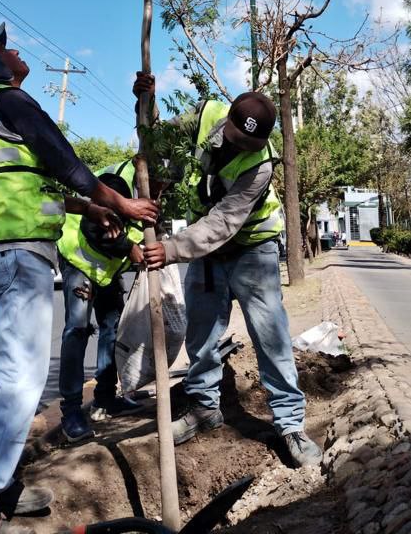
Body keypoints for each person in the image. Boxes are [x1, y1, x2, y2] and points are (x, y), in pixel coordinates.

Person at [0, 24, 159, 534]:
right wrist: (121, 203)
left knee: (14, 378)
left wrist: (86, 206)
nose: (14, 50)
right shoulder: (10, 103)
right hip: (18, 254)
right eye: (4, 46)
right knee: (18, 381)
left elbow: (24, 188)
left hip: (5, 251)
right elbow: (65, 162)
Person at [135, 73, 322, 468]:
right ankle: (204, 408)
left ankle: (289, 424)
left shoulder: (261, 164)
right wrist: (147, 104)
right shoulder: (206, 114)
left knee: (270, 335)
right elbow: (160, 140)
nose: (241, 148)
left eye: (250, 144)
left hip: (252, 249)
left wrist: (170, 249)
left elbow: (222, 224)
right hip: (206, 251)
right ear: (229, 122)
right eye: (237, 138)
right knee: (202, 332)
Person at [57, 164, 145, 443]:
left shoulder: (147, 192)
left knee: (112, 326)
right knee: (77, 330)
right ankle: (70, 413)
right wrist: (128, 248)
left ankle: (105, 399)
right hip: (78, 259)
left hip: (104, 271)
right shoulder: (120, 180)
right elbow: (94, 225)